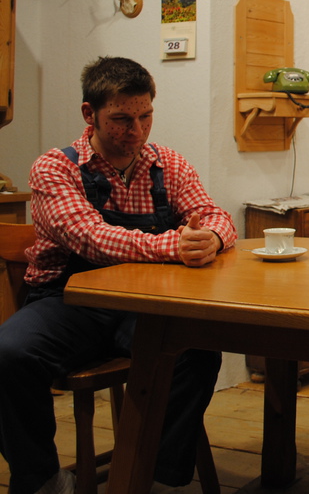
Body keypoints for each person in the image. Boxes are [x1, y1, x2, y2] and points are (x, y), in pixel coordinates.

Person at [0, 56, 237, 494]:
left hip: (145, 303)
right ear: (89, 114)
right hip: (69, 302)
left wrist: (212, 238)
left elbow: (215, 214)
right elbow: (90, 238)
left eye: (146, 116)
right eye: (122, 120)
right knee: (9, 353)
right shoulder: (55, 168)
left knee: (197, 349)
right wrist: (174, 246)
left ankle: (155, 476)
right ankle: (40, 480)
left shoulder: (169, 165)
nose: (137, 131)